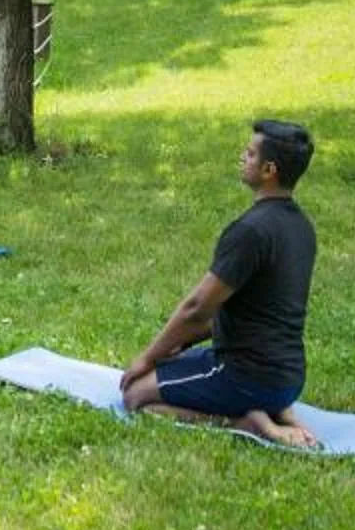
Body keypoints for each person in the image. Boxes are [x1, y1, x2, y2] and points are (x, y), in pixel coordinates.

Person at [118, 119, 319, 448]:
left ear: (269, 169)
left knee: (136, 396)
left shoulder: (250, 231)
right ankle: (278, 410)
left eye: (250, 154)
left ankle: (244, 422)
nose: (243, 157)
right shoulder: (302, 228)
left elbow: (197, 309)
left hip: (245, 376)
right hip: (289, 377)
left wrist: (147, 357)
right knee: (172, 368)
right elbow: (249, 310)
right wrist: (174, 348)